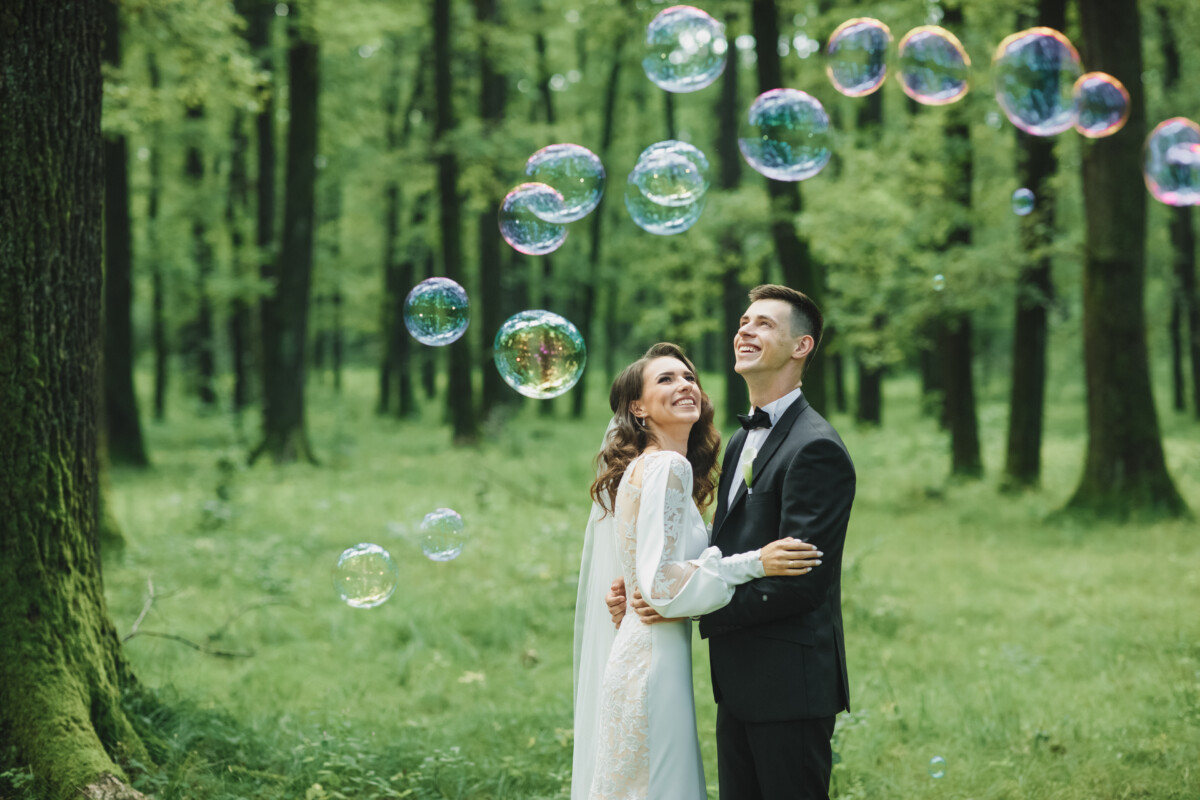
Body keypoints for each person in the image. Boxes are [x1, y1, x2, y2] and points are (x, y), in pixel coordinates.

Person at [610, 285, 856, 800]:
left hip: (790, 685)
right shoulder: (741, 439)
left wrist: (685, 609)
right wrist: (651, 581)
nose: (745, 330)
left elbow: (800, 584)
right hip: (740, 684)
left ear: (801, 346)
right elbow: (723, 549)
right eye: (744, 322)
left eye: (764, 323)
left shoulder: (816, 449)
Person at [572, 342, 820, 800]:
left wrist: (634, 588)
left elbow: (648, 573)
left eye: (688, 377)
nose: (684, 385)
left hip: (641, 653)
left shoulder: (645, 467)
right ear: (638, 408)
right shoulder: (667, 465)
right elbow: (663, 588)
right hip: (652, 664)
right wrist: (755, 562)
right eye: (665, 379)